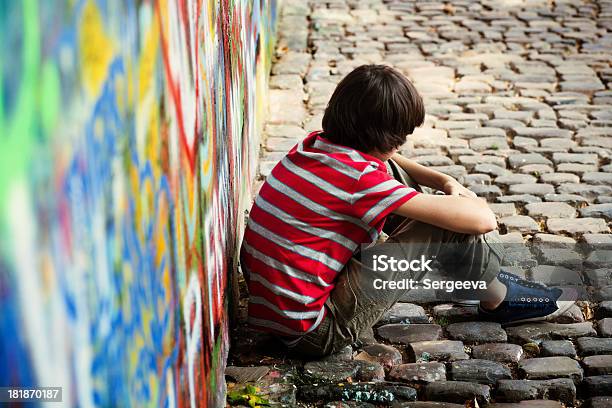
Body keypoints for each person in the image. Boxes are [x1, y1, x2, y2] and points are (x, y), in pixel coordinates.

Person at [240, 64, 576, 357]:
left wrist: (444, 181)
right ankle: (499, 299)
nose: (401, 143)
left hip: (281, 312)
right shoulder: (360, 180)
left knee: (396, 176)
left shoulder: (317, 145)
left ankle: (482, 278)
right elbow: (482, 220)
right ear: (381, 135)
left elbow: (392, 161)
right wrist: (457, 199)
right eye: (398, 135)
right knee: (442, 226)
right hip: (314, 331)